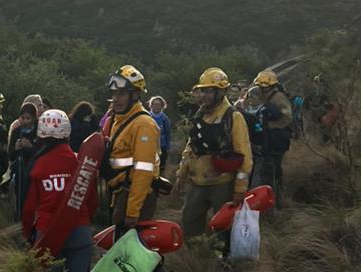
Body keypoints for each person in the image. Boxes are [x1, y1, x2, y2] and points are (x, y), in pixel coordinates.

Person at [21, 109, 96, 272]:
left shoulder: (38, 165)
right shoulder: (79, 161)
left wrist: (27, 235)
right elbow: (93, 199)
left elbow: (29, 207)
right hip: (79, 232)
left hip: (48, 235)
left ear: (41, 132)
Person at [175, 68, 253, 238]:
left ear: (221, 92)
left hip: (222, 183)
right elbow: (191, 146)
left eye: (210, 91)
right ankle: (196, 259)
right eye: (203, 90)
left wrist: (240, 189)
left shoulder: (233, 117)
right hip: (197, 181)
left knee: (223, 228)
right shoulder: (201, 113)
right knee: (189, 223)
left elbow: (244, 155)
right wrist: (182, 173)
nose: (205, 95)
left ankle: (221, 261)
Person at [102, 66, 161, 231]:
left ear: (135, 95)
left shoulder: (143, 125)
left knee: (129, 248)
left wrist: (133, 211)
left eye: (121, 94)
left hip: (134, 195)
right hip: (120, 191)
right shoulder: (117, 120)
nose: (116, 99)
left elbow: (143, 170)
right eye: (114, 94)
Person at [245, 70, 293, 208]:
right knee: (265, 170)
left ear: (271, 86)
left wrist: (269, 125)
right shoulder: (259, 96)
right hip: (264, 140)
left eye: (264, 86)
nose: (262, 88)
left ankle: (276, 201)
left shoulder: (278, 97)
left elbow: (287, 117)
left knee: (273, 170)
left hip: (276, 140)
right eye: (260, 85)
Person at [6, 96, 42, 215]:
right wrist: (16, 148)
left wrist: (31, 147)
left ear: (34, 118)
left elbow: (43, 152)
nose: (25, 121)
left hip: (36, 171)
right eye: (23, 118)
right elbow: (10, 155)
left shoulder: (40, 131)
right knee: (21, 197)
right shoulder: (17, 131)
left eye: (28, 118)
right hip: (20, 171)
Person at [148, 96, 173, 173]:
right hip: (149, 145)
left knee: (161, 167)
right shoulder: (147, 116)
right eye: (155, 104)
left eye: (159, 104)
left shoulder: (165, 118)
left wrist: (168, 147)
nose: (156, 106)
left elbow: (168, 134)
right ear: (151, 105)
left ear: (162, 106)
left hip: (162, 146)